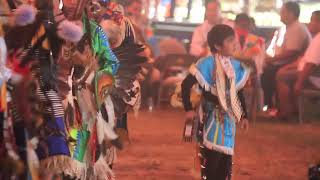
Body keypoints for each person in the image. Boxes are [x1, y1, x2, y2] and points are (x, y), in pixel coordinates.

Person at [181, 24, 250, 180]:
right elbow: (185, 85)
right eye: (230, 40)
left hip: (228, 119)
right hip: (208, 116)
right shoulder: (205, 64)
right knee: (211, 157)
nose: (235, 44)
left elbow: (239, 93)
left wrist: (244, 116)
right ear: (218, 46)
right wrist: (189, 109)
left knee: (226, 156)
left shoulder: (236, 67)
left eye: (235, 40)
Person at [261, 1, 311, 116]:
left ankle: (272, 107)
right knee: (267, 69)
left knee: (267, 72)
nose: (280, 14)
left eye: (283, 12)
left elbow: (292, 53)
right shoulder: (290, 28)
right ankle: (272, 106)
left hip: (296, 65)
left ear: (291, 14)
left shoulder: (297, 28)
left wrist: (271, 60)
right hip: (291, 62)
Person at [276, 10, 320, 119]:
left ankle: (286, 112)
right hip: (308, 72)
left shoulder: (318, 39)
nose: (309, 24)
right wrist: (287, 67)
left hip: (313, 76)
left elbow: (310, 64)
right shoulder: (316, 37)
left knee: (282, 76)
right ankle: (292, 110)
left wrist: (300, 82)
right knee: (283, 71)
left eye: (312, 21)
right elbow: (304, 59)